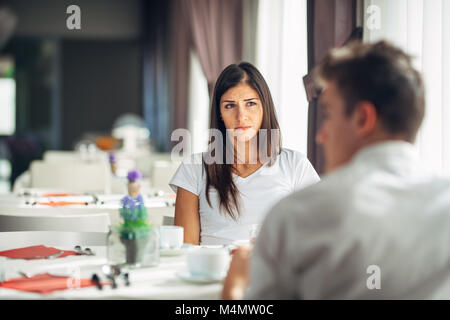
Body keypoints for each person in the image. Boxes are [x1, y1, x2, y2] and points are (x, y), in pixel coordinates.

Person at [222, 40, 450, 299]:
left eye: (328, 114)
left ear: (363, 118)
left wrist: (235, 284)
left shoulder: (296, 215)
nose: (320, 135)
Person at [169, 62, 320, 246]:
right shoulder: (193, 169)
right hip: (213, 273)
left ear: (264, 108)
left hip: (273, 272)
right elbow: (186, 250)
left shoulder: (295, 165)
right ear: (219, 114)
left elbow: (316, 238)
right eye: (230, 106)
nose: (241, 116)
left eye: (250, 104)